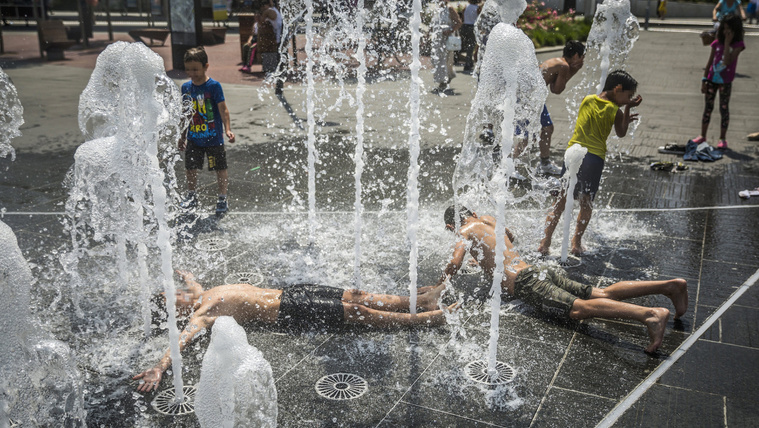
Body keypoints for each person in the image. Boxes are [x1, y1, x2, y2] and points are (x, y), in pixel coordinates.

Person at [133, 271, 454, 392]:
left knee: (354, 295)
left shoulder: (200, 293)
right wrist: (160, 368)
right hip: (288, 312)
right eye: (170, 298)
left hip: (291, 292)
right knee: (358, 313)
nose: (176, 292)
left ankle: (420, 300)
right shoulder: (201, 314)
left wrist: (184, 276)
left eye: (171, 291)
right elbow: (181, 341)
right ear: (177, 311)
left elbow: (192, 284)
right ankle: (427, 319)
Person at [436, 206, 688, 354]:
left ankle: (650, 315)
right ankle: (670, 286)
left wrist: (440, 286)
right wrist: (484, 256)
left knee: (579, 310)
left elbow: (454, 263)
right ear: (473, 212)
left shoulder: (464, 231)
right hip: (539, 270)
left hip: (526, 282)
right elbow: (508, 235)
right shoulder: (487, 220)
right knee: (602, 293)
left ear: (450, 227)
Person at [538, 70, 642, 256]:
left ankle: (545, 243)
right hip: (593, 158)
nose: (627, 100)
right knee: (586, 203)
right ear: (617, 89)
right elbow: (621, 132)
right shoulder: (615, 111)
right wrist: (626, 111)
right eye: (627, 96)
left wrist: (624, 107)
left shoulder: (588, 100)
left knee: (561, 199)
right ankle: (576, 243)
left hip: (572, 154)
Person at [179, 46, 236, 218]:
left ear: (206, 66)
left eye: (195, 69)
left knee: (220, 168)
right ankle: (191, 195)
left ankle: (222, 198)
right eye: (188, 69)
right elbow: (185, 113)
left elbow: (223, 110)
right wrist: (181, 135)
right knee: (190, 168)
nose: (192, 73)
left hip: (213, 138)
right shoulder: (185, 88)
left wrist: (228, 129)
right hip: (194, 138)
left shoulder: (214, 86)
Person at [514, 40, 586, 176]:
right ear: (576, 56)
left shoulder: (558, 62)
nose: (583, 60)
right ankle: (509, 167)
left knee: (547, 129)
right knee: (528, 136)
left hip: (529, 96)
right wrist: (575, 70)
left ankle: (545, 163)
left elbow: (552, 87)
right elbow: (557, 90)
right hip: (528, 98)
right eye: (583, 57)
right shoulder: (564, 66)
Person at [692, 14, 745, 150]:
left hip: (725, 82)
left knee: (724, 108)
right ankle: (703, 135)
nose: (726, 32)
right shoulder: (716, 43)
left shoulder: (738, 45)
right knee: (708, 108)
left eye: (730, 29)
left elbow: (727, 61)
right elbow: (710, 62)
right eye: (724, 28)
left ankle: (722, 138)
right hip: (711, 80)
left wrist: (727, 43)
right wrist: (704, 79)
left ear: (736, 30)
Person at [431, 0, 462, 94]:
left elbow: (458, 23)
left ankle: (443, 82)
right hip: (437, 40)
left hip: (446, 39)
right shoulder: (436, 9)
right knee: (437, 60)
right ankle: (447, 77)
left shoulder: (449, 9)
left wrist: (450, 30)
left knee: (444, 60)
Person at [258, 0, 284, 94]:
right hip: (279, 36)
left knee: (277, 59)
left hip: (277, 38)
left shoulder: (269, 11)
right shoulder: (273, 9)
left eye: (262, 7)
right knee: (279, 59)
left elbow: (261, 22)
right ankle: (278, 80)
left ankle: (278, 82)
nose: (262, 9)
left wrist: (260, 17)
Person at [460, 0, 480, 74]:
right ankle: (468, 64)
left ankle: (469, 62)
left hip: (465, 26)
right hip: (472, 27)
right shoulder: (478, 8)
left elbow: (462, 15)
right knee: (471, 45)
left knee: (467, 44)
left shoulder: (466, 7)